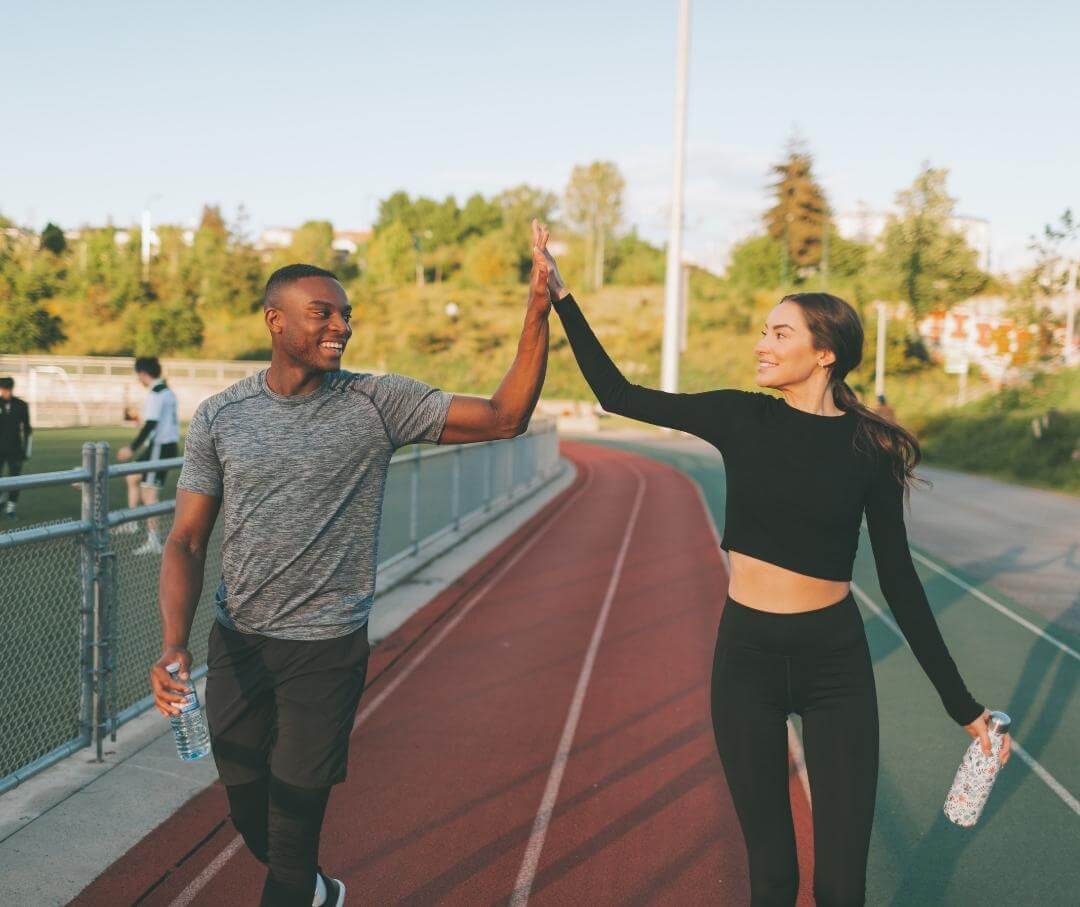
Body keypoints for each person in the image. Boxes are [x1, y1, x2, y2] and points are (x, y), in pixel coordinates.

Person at [537, 243, 1012, 907]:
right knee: (773, 877)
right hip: (746, 660)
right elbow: (616, 394)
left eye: (779, 332)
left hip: (835, 664)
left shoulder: (868, 447)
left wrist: (964, 707)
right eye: (763, 330)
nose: (762, 343)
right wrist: (562, 296)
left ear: (825, 353)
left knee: (842, 886)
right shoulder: (741, 415)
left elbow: (900, 583)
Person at [149, 220, 553, 907]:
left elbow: (505, 415)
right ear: (275, 321)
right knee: (250, 809)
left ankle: (298, 886)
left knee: (293, 828)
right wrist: (172, 646)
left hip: (326, 652)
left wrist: (536, 312)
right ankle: (317, 891)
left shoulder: (378, 401)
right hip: (238, 642)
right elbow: (187, 539)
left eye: (346, 315)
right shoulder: (221, 416)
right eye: (323, 313)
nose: (341, 326)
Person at [116, 357, 180, 554]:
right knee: (133, 476)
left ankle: (154, 541)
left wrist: (132, 448)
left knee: (149, 493)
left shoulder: (156, 394)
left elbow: (150, 424)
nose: (139, 380)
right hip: (162, 446)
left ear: (143, 374)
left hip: (159, 447)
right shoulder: (166, 391)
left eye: (138, 376)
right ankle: (133, 522)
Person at [0, 376, 32, 520]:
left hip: (15, 449)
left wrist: (27, 451)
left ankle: (11, 508)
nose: (4, 392)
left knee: (15, 479)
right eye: (2, 389)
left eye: (7, 389)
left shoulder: (21, 405)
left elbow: (27, 429)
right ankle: (1, 500)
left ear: (11, 389)